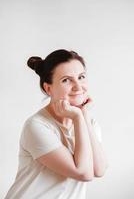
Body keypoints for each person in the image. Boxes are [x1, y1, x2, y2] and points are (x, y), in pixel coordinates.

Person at [5, 49, 108, 199]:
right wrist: (78, 117)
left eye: (81, 77)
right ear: (48, 88)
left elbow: (99, 170)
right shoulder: (37, 126)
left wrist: (83, 117)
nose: (78, 87)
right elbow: (83, 173)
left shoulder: (90, 122)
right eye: (66, 80)